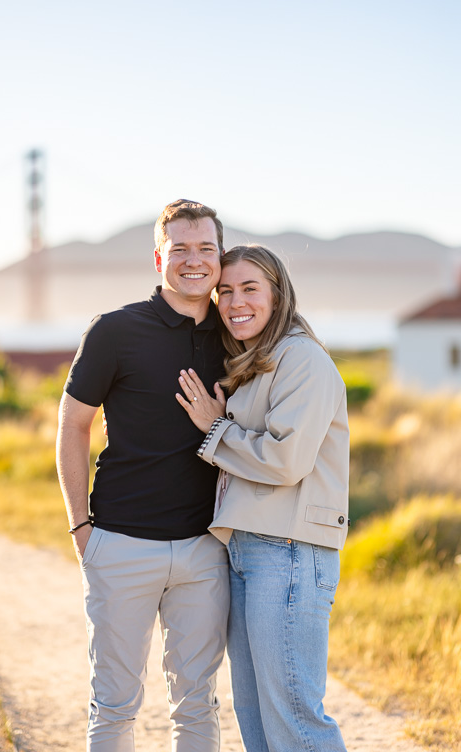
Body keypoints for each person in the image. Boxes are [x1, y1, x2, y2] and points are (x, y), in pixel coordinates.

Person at [56, 199, 230, 752]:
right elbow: (73, 425)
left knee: (198, 705)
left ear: (221, 257)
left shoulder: (238, 337)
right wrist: (81, 526)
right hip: (121, 543)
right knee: (113, 708)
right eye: (180, 248)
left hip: (205, 550)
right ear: (160, 257)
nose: (194, 260)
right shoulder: (113, 330)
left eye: (206, 249)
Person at [175, 244, 350, 752]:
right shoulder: (258, 363)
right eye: (224, 290)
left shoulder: (301, 359)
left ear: (278, 294)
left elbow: (286, 461)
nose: (234, 301)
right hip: (251, 549)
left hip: (290, 551)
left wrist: (215, 430)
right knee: (256, 719)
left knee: (293, 719)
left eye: (250, 288)